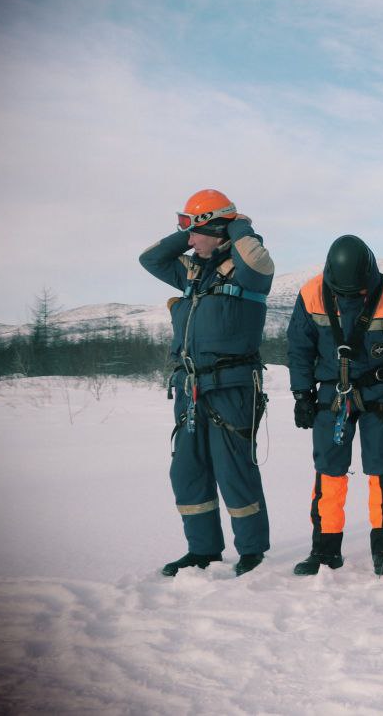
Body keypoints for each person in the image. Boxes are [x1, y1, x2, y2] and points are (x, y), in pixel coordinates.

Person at [139, 189, 274, 577]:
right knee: (188, 469)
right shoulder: (191, 269)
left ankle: (251, 551)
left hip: (231, 387)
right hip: (190, 388)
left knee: (234, 470)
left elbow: (258, 261)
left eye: (194, 229)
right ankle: (202, 550)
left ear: (216, 228)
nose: (188, 238)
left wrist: (239, 226)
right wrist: (189, 232)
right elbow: (150, 259)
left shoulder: (248, 266)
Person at [287, 235, 383, 576]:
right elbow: (299, 349)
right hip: (331, 395)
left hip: (379, 393)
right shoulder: (310, 294)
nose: (351, 297)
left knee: (382, 469)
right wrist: (301, 395)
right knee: (329, 471)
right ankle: (325, 550)